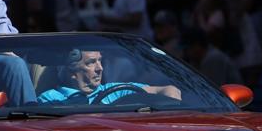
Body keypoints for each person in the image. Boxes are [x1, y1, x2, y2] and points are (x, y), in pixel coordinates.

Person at [37, 49, 180, 105]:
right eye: (91, 63)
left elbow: (169, 90)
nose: (100, 68)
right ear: (72, 72)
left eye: (100, 61)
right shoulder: (51, 99)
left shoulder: (115, 90)